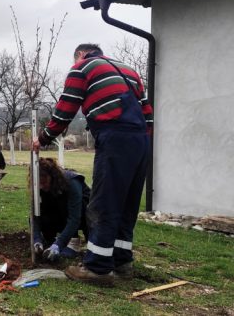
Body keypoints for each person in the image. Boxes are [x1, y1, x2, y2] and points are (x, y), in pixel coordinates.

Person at [33, 43, 153, 286]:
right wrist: (140, 141)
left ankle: (97, 268)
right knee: (126, 204)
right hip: (141, 140)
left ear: (80, 54)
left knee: (104, 203)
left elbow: (65, 110)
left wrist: (43, 138)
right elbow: (148, 112)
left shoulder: (82, 67)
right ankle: (121, 262)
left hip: (115, 137)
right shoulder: (128, 70)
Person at [31, 158, 91, 262]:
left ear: (52, 176)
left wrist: (59, 244)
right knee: (43, 212)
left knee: (65, 205)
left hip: (84, 214)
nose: (41, 186)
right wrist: (36, 239)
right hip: (62, 213)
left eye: (44, 182)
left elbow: (74, 218)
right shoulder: (39, 187)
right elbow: (35, 216)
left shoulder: (72, 182)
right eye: (39, 183)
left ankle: (73, 242)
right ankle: (51, 241)